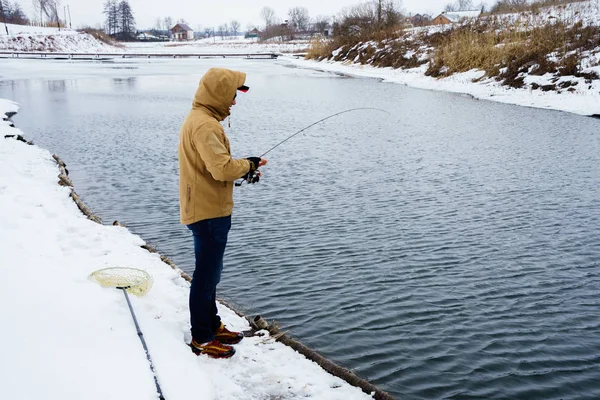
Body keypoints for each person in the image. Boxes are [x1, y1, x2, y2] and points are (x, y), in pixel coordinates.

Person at [178, 67, 267, 358]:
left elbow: (213, 169)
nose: (233, 102)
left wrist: (243, 168)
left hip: (207, 207)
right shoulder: (205, 125)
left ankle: (212, 325)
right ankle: (202, 338)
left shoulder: (202, 119)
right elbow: (221, 169)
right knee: (206, 275)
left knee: (211, 273)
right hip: (207, 213)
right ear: (218, 94)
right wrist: (249, 164)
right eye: (231, 96)